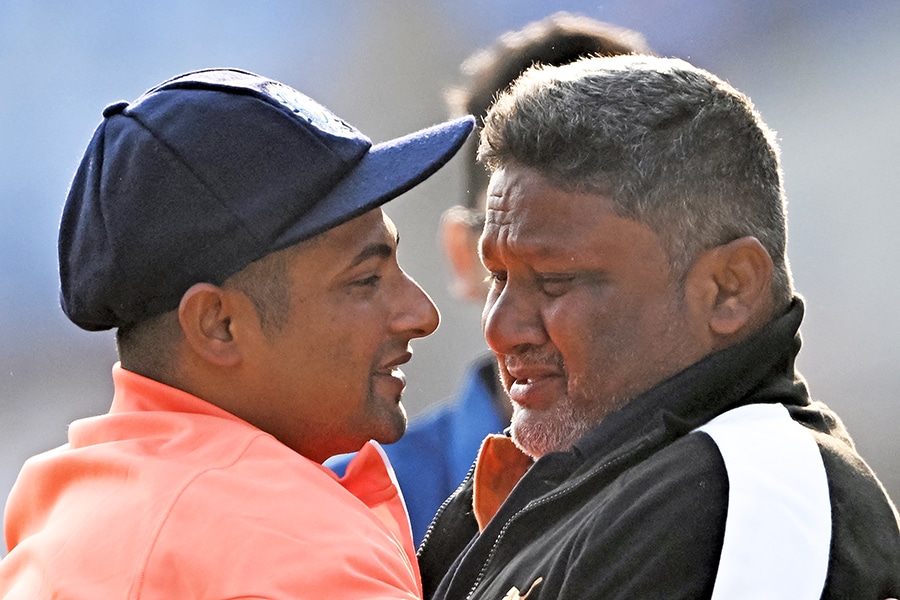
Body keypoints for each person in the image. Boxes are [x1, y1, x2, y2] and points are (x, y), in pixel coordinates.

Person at [417, 55, 900, 598]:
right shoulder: (544, 486)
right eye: (497, 277)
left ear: (729, 288)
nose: (500, 327)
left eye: (554, 280)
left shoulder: (754, 496)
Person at [0, 68, 473, 598]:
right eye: (365, 281)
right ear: (218, 324)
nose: (421, 313)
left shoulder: (65, 508)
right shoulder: (295, 553)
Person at [327, 12, 651, 546]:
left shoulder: (742, 488)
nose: (560, 301)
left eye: (591, 255)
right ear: (463, 255)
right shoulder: (355, 508)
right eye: (514, 253)